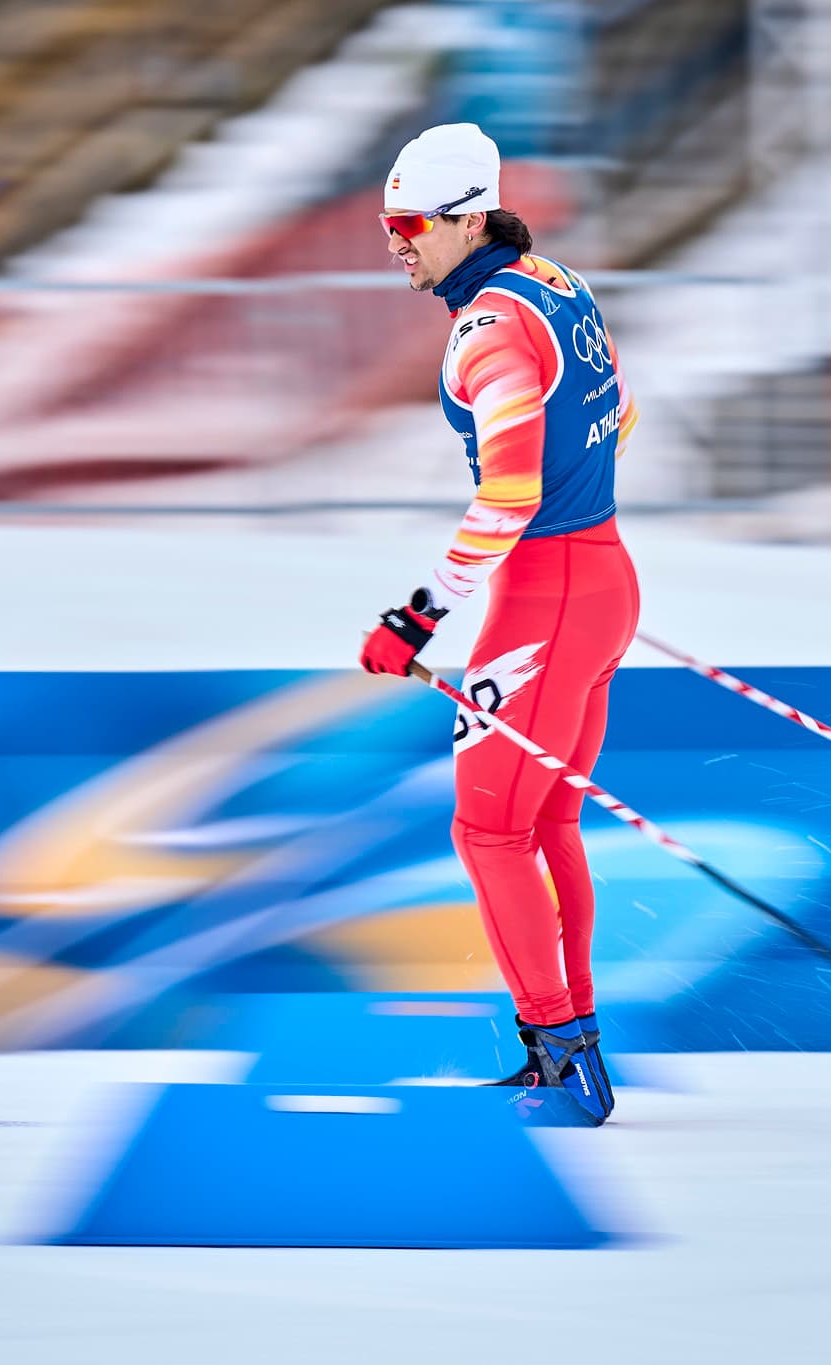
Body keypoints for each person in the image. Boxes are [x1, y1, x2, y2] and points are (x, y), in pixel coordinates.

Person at [358, 123, 638, 1126]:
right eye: (386, 223)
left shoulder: (485, 327)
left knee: (487, 830)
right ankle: (569, 1052)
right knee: (544, 821)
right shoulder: (549, 280)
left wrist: (416, 612)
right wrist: (581, 525)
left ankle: (561, 1059)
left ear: (467, 217)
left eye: (410, 225)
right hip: (596, 582)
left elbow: (508, 494)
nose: (395, 242)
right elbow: (620, 414)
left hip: (546, 595)